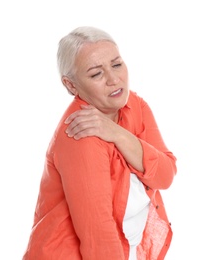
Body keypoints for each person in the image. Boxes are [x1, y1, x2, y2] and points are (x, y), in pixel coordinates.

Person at [22, 26, 177, 260]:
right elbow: (98, 237)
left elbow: (165, 176)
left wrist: (117, 133)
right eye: (96, 74)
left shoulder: (135, 105)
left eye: (116, 64)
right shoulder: (79, 133)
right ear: (71, 85)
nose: (114, 79)